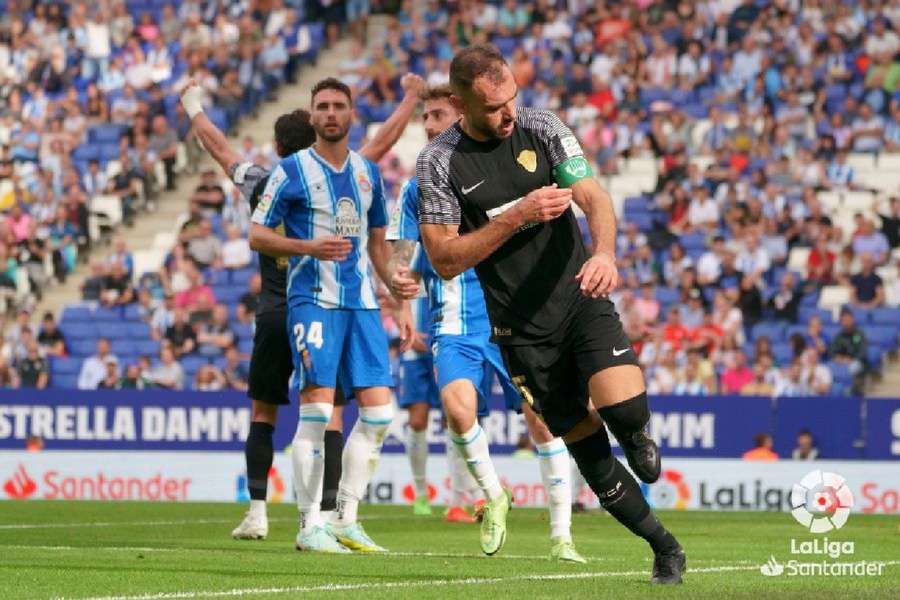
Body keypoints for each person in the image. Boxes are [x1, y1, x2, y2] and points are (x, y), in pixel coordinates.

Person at [415, 45, 683, 582]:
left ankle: (635, 435)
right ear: (462, 102)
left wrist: (604, 253)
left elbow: (594, 195)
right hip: (521, 333)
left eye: (511, 97)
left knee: (625, 412)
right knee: (590, 454)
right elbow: (444, 260)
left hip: (580, 297)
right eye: (493, 107)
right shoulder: (438, 162)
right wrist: (515, 217)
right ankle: (665, 548)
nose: (508, 113)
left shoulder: (542, 126)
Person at [183, 73, 423, 548]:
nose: (331, 114)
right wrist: (308, 247)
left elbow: (377, 244)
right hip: (308, 303)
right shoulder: (288, 174)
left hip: (360, 306)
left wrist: (397, 291)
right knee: (316, 414)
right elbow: (255, 233)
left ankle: (343, 517)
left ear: (352, 114)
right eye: (323, 107)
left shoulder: (366, 171)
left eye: (339, 106)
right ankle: (307, 523)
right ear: (313, 116)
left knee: (378, 415)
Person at [388, 84, 583, 561]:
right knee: (457, 412)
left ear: (461, 114)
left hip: (509, 312)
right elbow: (403, 251)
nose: (430, 125)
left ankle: (562, 535)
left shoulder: (498, 166)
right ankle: (495, 494)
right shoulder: (418, 185)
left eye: (437, 114)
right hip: (454, 319)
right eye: (425, 118)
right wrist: (399, 283)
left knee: (542, 422)